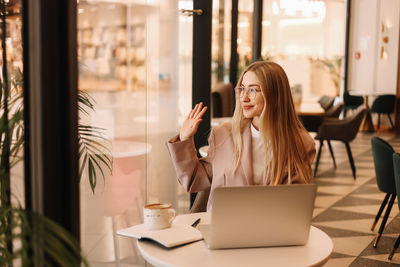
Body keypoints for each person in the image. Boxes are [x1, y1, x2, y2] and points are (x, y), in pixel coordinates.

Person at [166, 61, 316, 211]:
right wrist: (185, 139)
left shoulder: (301, 143)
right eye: (242, 89)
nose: (243, 98)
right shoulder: (223, 135)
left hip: (270, 230)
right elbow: (195, 180)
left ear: (275, 94)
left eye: (252, 90)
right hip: (223, 228)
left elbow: (296, 204)